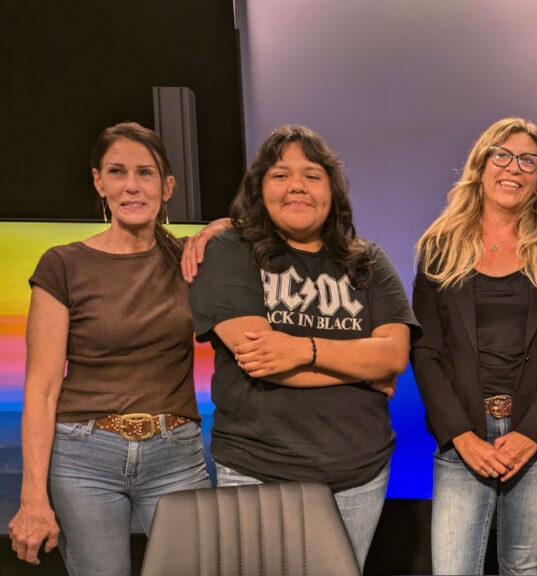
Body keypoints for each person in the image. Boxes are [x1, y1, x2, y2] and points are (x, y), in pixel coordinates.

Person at [189, 124, 416, 571]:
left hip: (359, 475)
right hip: (258, 472)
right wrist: (361, 366)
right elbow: (262, 358)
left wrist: (305, 350)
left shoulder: (367, 259)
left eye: (312, 175)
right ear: (259, 189)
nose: (297, 186)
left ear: (332, 190)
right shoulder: (231, 250)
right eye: (280, 175)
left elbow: (394, 355)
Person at [8, 122, 211, 574]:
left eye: (146, 172)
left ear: (168, 185)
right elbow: (40, 389)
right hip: (83, 457)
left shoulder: (191, 259)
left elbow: (264, 233)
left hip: (175, 452)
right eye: (117, 172)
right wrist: (32, 498)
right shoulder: (63, 264)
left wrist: (216, 228)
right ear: (99, 181)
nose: (132, 186)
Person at [411, 118, 537, 575]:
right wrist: (461, 435)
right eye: (501, 154)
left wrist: (532, 432)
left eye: (529, 160)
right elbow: (425, 351)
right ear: (481, 166)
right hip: (463, 432)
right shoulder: (438, 248)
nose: (514, 167)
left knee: (524, 567)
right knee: (452, 569)